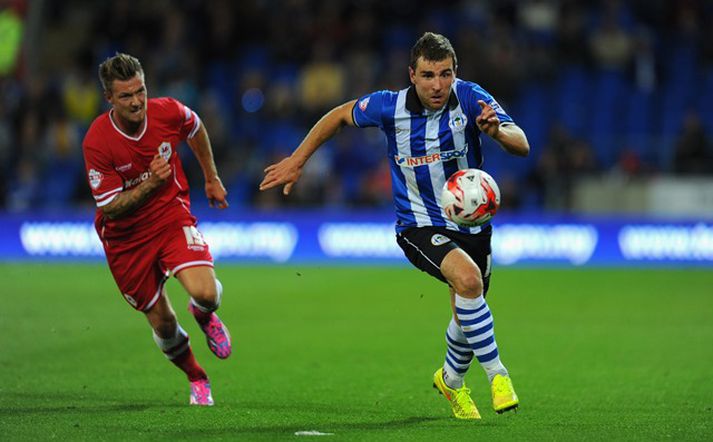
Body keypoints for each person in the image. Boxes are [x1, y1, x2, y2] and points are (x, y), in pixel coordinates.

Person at [260, 32, 529, 419]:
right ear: (412, 75)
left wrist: (497, 132)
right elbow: (337, 115)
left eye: (445, 74)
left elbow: (522, 143)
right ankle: (498, 377)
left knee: (468, 306)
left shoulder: (470, 97)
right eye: (428, 75)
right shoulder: (389, 107)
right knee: (469, 282)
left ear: (455, 73)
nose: (437, 85)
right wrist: (298, 159)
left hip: (472, 225)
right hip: (417, 224)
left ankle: (450, 380)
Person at [82, 53, 232, 406]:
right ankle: (197, 377)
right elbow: (110, 207)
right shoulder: (97, 141)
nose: (136, 102)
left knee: (206, 293)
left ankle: (203, 312)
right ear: (109, 99)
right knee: (163, 323)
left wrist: (211, 177)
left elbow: (195, 128)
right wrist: (150, 183)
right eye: (125, 96)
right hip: (125, 239)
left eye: (140, 91)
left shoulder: (167, 112)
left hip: (169, 216)